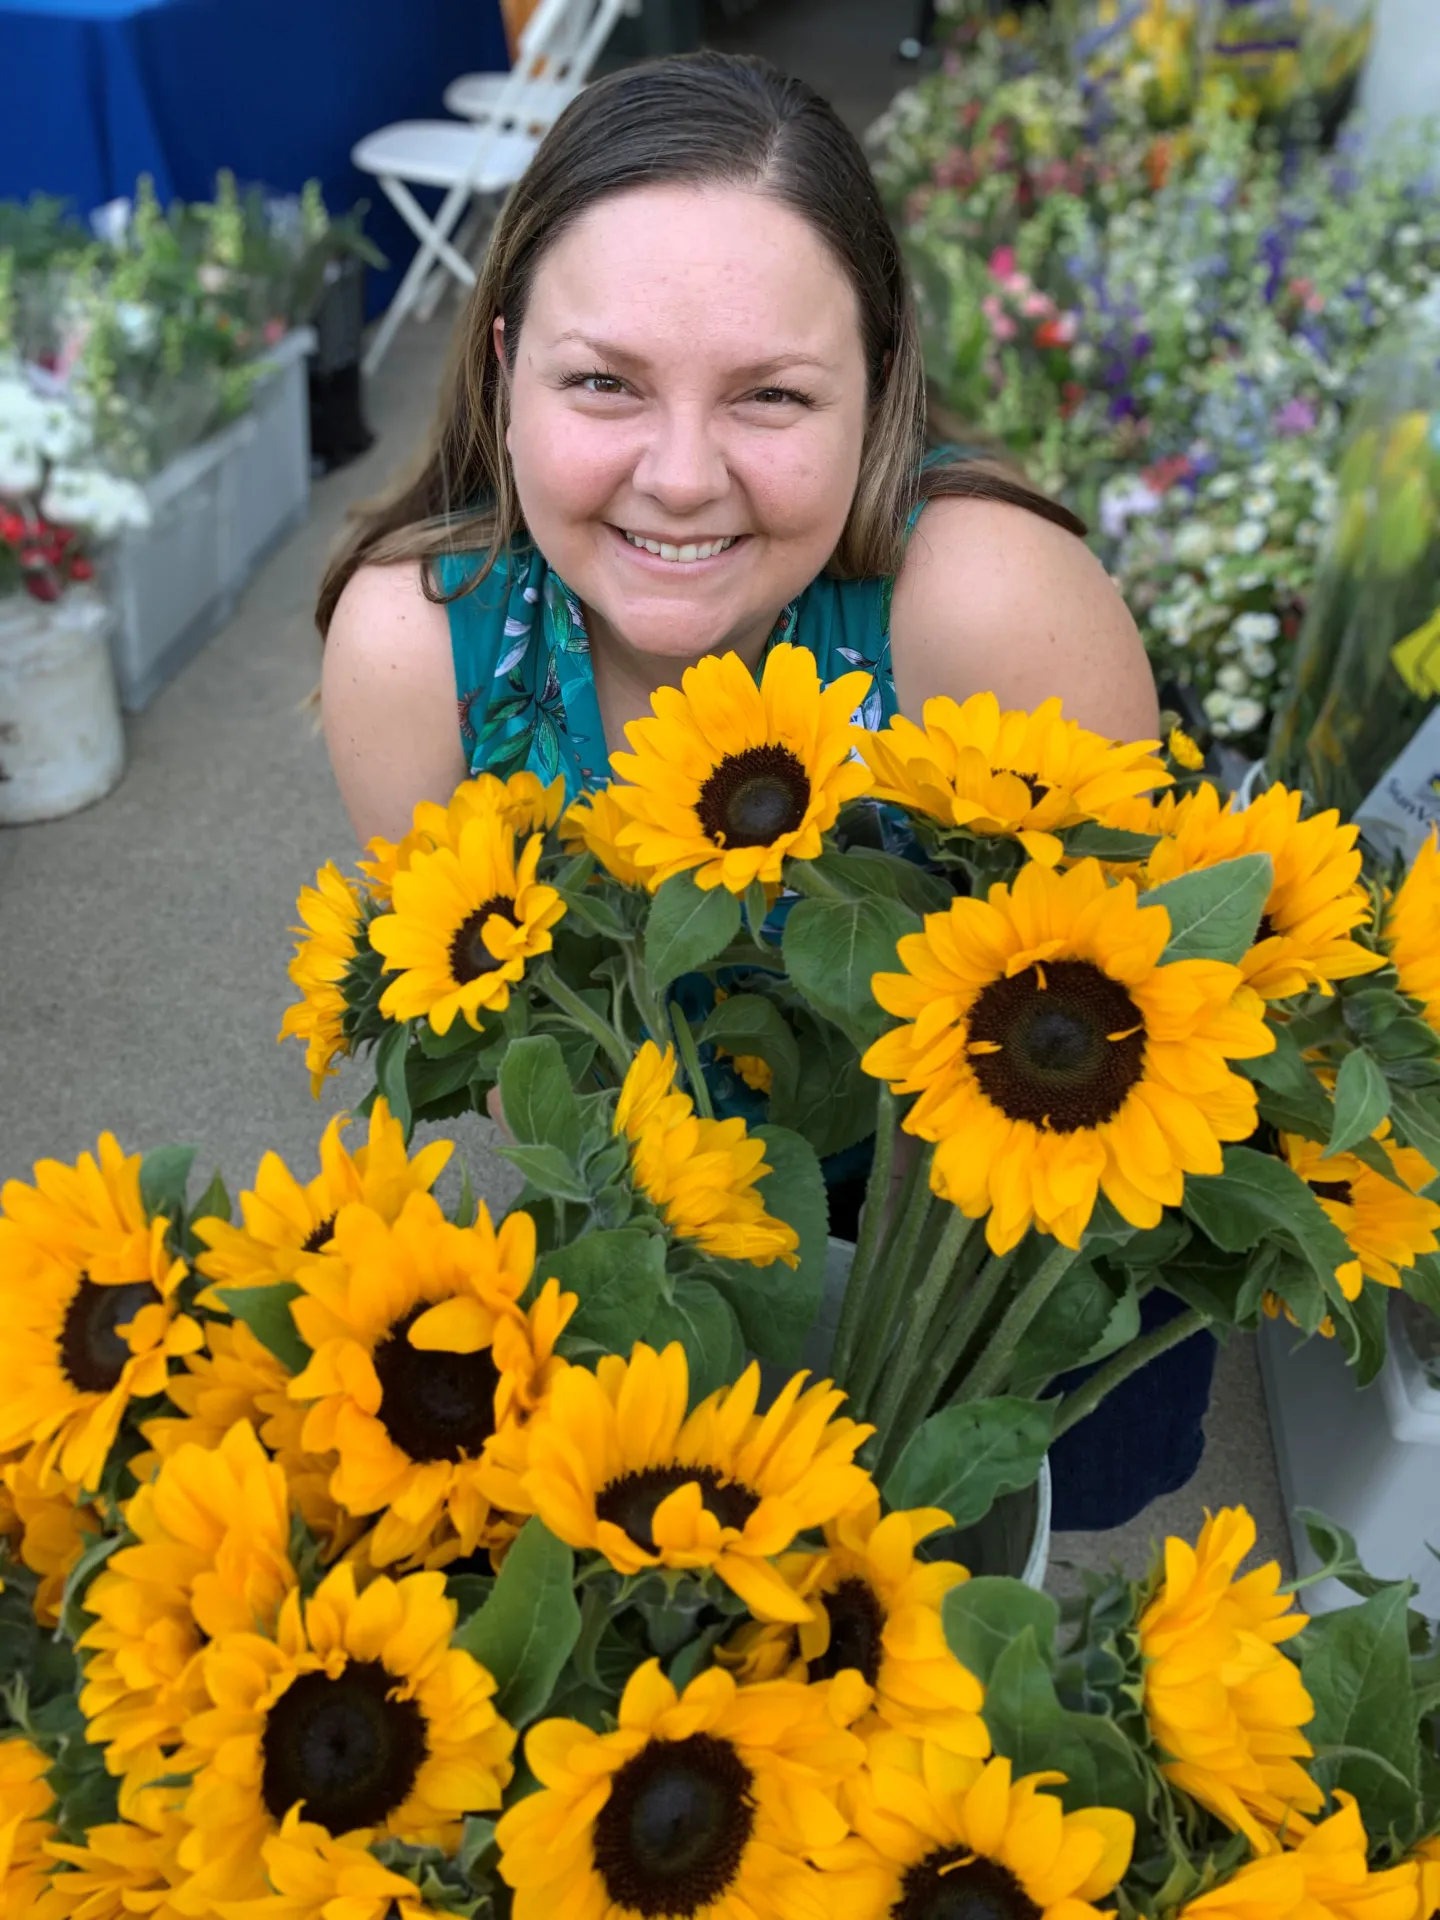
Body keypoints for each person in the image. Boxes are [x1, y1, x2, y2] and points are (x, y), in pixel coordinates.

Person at [317, 51, 1156, 850]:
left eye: (771, 395)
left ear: (877, 389)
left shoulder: (995, 612)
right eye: (605, 383)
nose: (681, 481)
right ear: (507, 372)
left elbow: (1139, 967)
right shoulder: (414, 651)